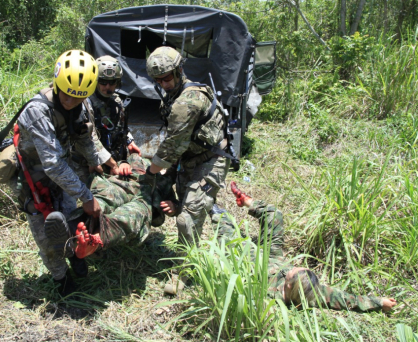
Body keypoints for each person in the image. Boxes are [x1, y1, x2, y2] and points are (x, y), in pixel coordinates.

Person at [14, 49, 121, 295]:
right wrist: (86, 195)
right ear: (57, 84)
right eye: (67, 96)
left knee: (69, 219)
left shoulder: (79, 104)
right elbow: (51, 164)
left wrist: (96, 162)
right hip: (35, 176)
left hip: (64, 170)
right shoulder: (37, 111)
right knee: (45, 233)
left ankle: (74, 254)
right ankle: (61, 279)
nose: (71, 102)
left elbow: (84, 137)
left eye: (79, 98)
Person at [144, 46, 234, 294]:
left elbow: (173, 145)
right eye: (158, 80)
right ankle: (196, 223)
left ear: (179, 70)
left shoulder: (188, 101)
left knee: (186, 219)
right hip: (189, 158)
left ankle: (184, 271)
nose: (163, 84)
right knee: (181, 207)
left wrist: (151, 172)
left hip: (209, 160)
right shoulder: (173, 96)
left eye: (167, 78)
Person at [229, 181, 397, 312]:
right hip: (274, 256)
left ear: (289, 286)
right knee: (275, 216)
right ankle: (246, 201)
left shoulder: (272, 295)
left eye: (293, 273)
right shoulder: (314, 290)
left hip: (258, 264)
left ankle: (215, 213)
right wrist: (379, 303)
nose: (293, 268)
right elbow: (346, 299)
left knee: (236, 240)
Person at [72, 55, 141, 181]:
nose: (107, 87)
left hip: (111, 158)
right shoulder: (85, 103)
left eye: (112, 82)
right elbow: (89, 139)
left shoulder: (117, 101)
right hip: (89, 161)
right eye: (103, 82)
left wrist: (130, 141)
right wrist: (113, 164)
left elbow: (120, 127)